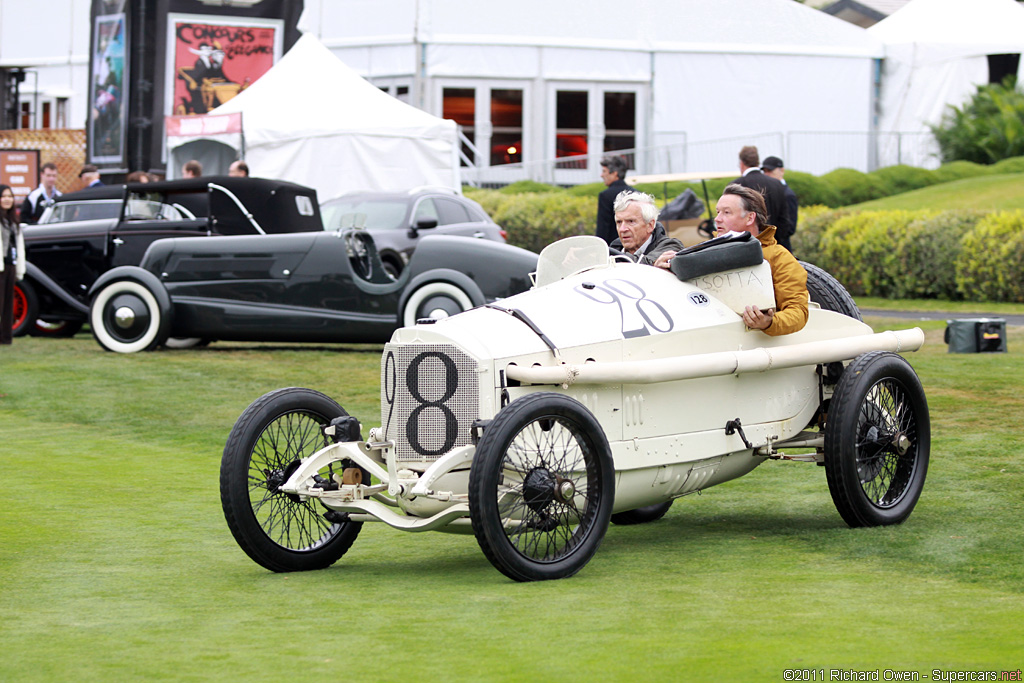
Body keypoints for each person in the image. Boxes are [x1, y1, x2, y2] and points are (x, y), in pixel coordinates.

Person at [710, 184, 808, 335]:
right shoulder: (702, 253)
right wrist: (669, 264)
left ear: (750, 217)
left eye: (726, 212)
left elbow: (798, 312)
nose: (717, 219)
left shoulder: (779, 257)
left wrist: (768, 322)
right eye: (717, 212)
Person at [732, 145, 793, 252]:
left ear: (741, 164)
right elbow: (784, 221)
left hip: (747, 251)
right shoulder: (777, 184)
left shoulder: (736, 185)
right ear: (757, 162)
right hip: (776, 249)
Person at [609, 190, 684, 266]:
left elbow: (638, 265)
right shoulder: (613, 247)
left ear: (650, 225)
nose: (622, 229)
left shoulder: (670, 246)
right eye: (619, 222)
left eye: (631, 221)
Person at [1, 184, 27, 345]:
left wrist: (19, 268)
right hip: (0, 265)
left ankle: (5, 337)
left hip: (11, 264)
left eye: (10, 196)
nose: (7, 199)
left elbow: (18, 244)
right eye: (3, 196)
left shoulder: (13, 220)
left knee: (7, 304)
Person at [761, 155, 798, 242]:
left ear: (782, 171)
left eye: (770, 171)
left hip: (781, 246)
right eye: (764, 171)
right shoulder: (766, 192)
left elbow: (790, 228)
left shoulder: (788, 194)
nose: (767, 174)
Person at [596, 155, 629, 245]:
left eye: (604, 171)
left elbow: (603, 228)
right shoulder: (636, 193)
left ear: (614, 173)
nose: (601, 175)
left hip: (613, 248)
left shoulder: (605, 196)